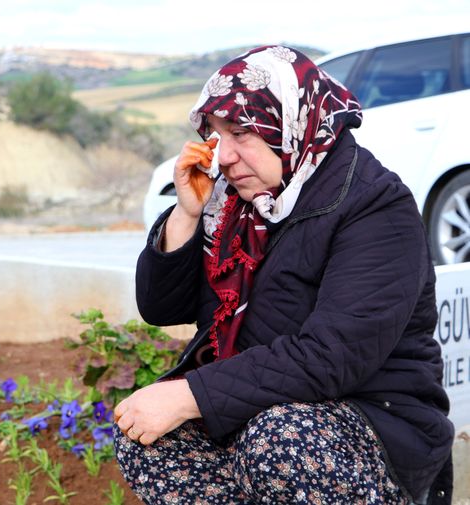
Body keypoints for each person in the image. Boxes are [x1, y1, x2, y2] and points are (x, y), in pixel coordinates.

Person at [113, 45, 454, 505]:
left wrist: (189, 395)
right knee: (147, 440)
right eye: (215, 135)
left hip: (374, 421)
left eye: (241, 133)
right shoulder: (232, 207)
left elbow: (332, 356)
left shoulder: (375, 206)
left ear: (290, 124)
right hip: (263, 409)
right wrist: (186, 216)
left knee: (279, 440)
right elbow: (161, 308)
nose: (224, 157)